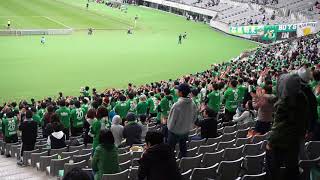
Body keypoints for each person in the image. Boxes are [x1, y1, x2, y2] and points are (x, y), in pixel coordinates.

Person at [266, 73, 310, 180]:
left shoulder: (284, 103)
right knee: (292, 166)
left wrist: (270, 142)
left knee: (274, 169)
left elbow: (278, 128)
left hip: (281, 143)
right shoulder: (302, 97)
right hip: (295, 139)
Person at [167, 83, 197, 158]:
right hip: (186, 131)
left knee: (170, 151)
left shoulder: (176, 105)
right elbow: (194, 118)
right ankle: (184, 163)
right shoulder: (193, 103)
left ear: (180, 93)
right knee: (183, 149)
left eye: (178, 90)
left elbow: (170, 125)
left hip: (175, 133)